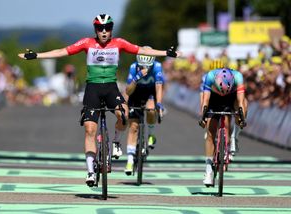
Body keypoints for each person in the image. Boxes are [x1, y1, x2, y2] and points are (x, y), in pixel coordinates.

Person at [18, 14, 181, 187]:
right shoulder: (86, 43)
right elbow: (62, 52)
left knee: (124, 114)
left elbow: (143, 50)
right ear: (95, 29)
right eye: (100, 28)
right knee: (90, 129)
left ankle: (116, 141)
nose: (104, 31)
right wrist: (36, 55)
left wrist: (166, 53)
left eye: (107, 28)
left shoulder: (119, 43)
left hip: (110, 87)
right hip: (93, 88)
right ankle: (90, 170)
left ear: (111, 29)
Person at [199, 60, 247, 186]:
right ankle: (208, 171)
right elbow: (205, 101)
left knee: (243, 105)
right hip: (214, 97)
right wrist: (203, 117)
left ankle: (234, 137)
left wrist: (241, 118)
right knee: (210, 134)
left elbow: (240, 102)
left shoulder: (238, 77)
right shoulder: (210, 76)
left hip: (231, 97)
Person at [124, 47, 165, 175]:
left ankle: (151, 134)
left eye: (148, 66)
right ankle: (130, 160)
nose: (145, 69)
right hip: (136, 93)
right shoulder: (133, 67)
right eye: (142, 66)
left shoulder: (157, 66)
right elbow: (128, 91)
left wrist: (159, 103)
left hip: (150, 92)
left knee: (151, 109)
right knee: (133, 127)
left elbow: (159, 87)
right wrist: (136, 77)